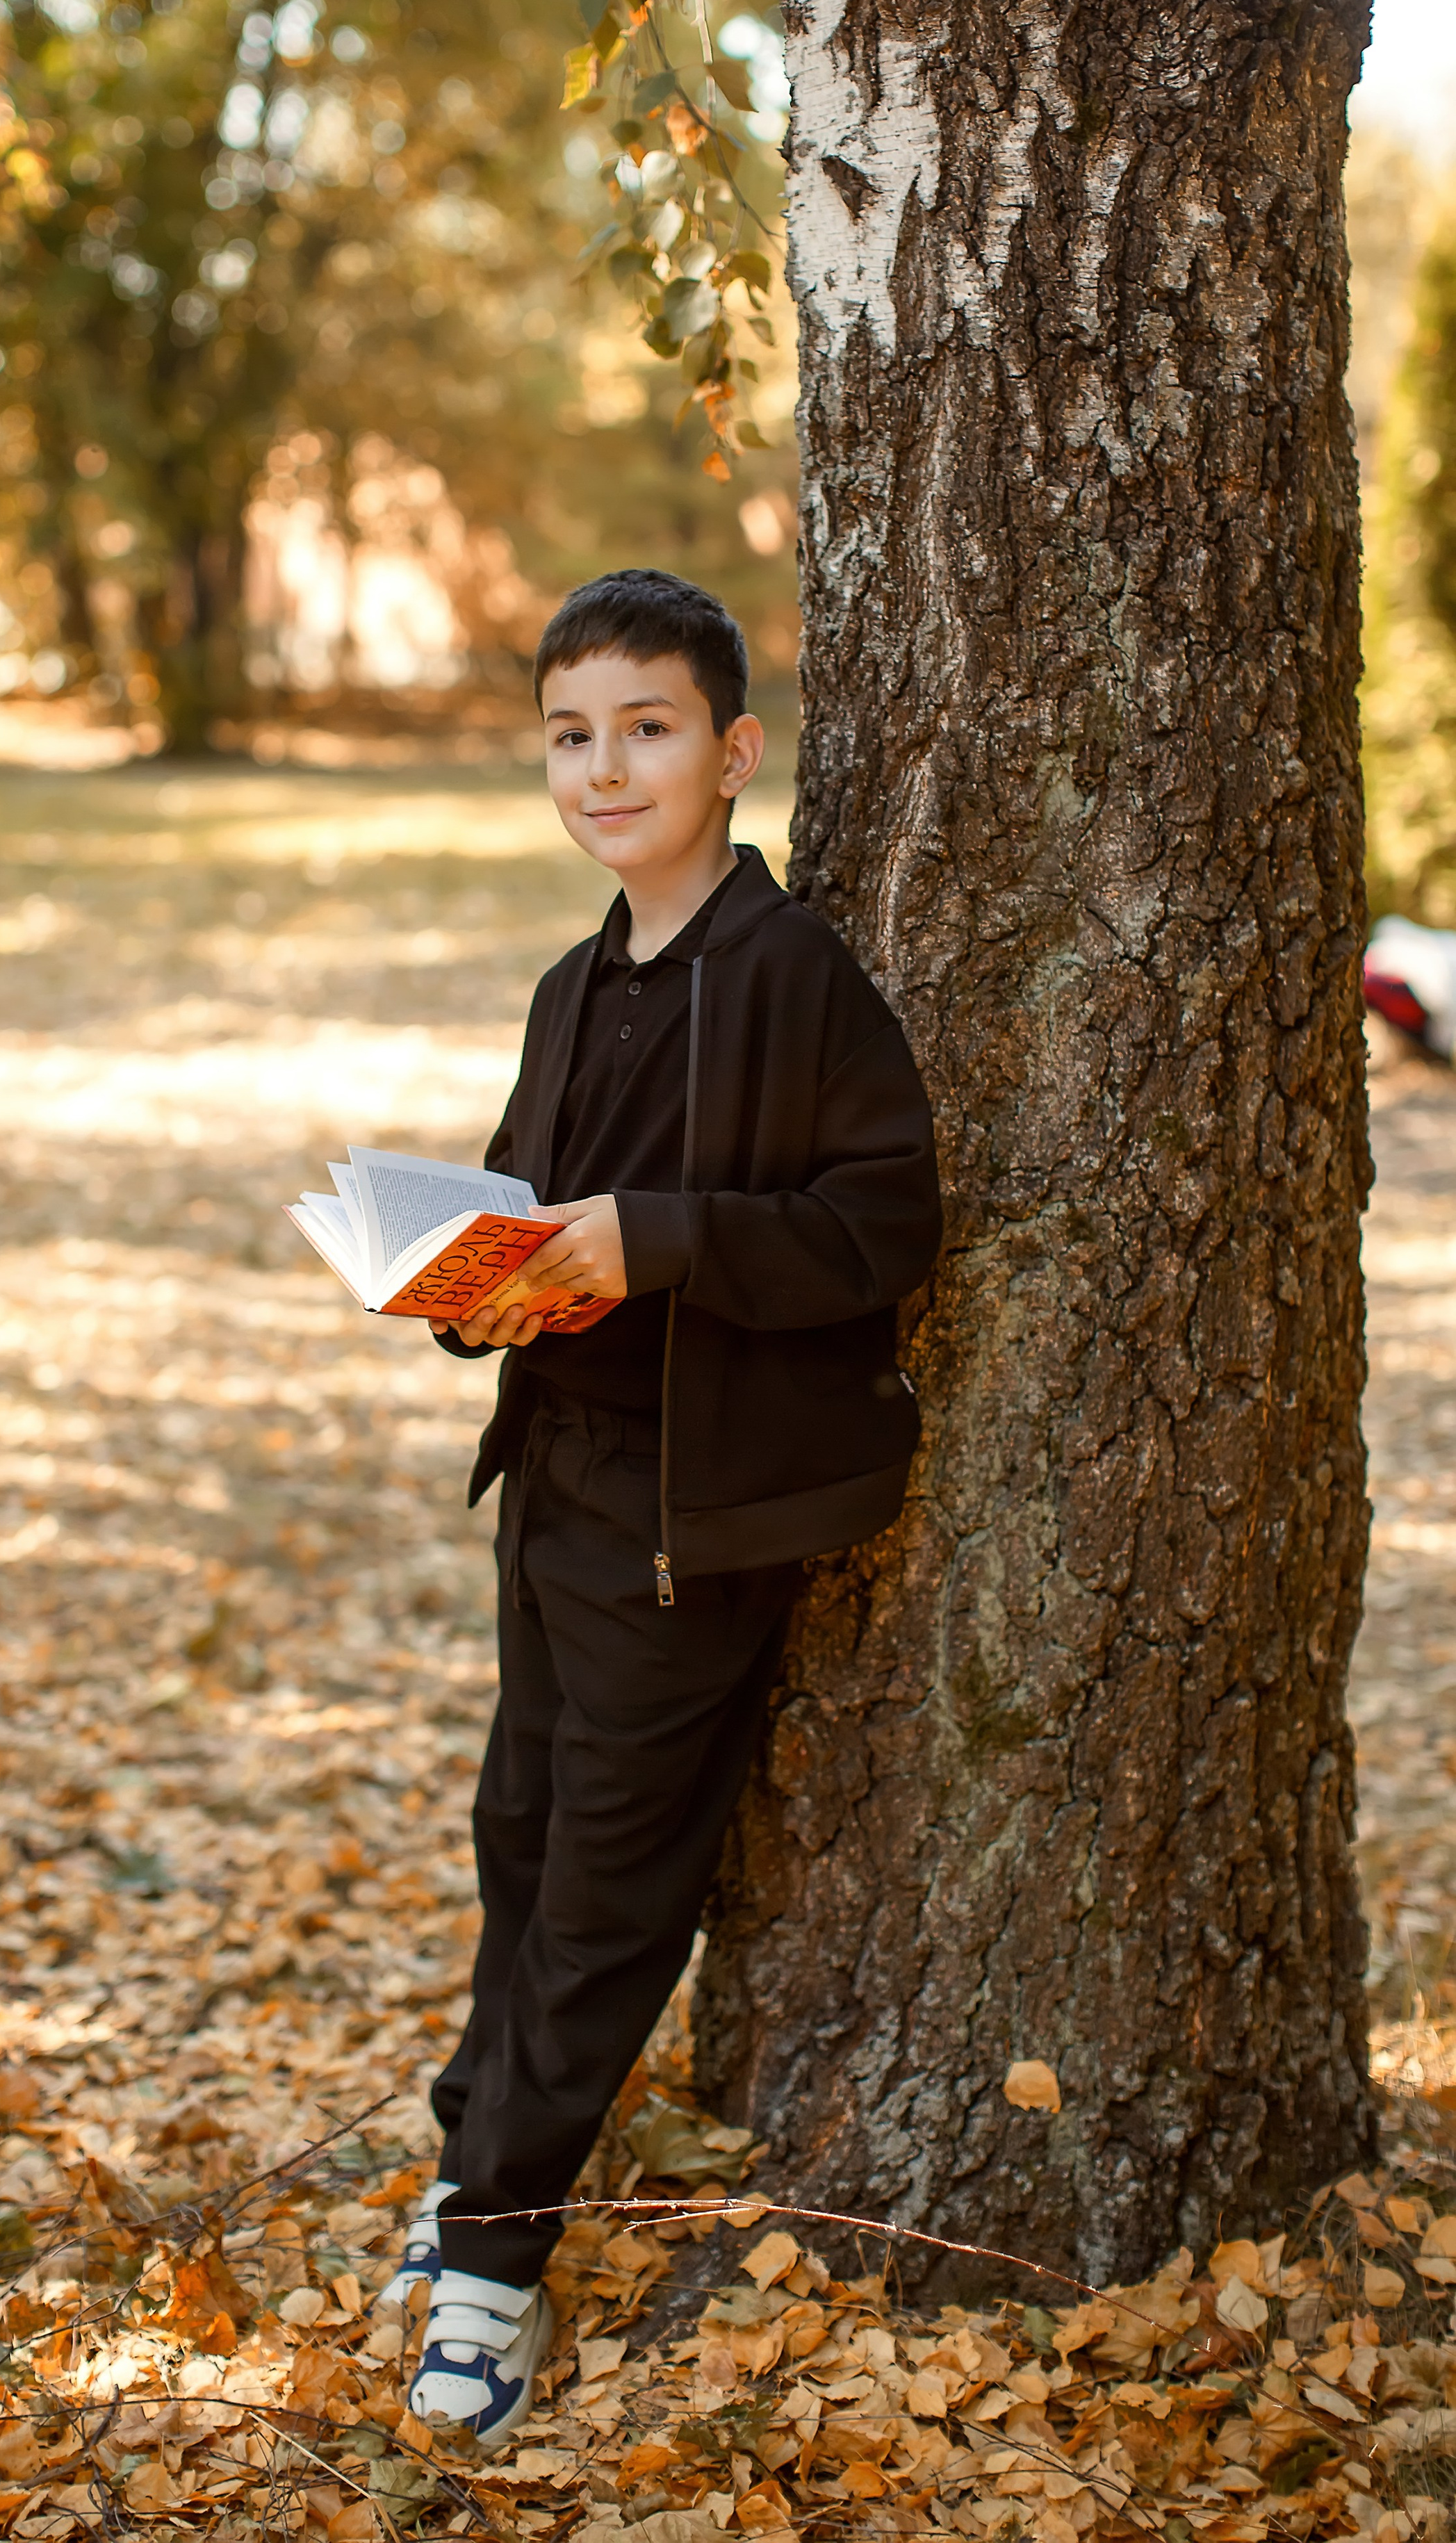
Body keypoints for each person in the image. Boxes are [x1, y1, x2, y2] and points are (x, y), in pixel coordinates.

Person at [380, 569, 943, 2447]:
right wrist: (466, 1289)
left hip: (693, 1516)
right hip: (555, 1475)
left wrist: (662, 1241)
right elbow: (530, 1206)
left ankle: (494, 2263)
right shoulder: (576, 984)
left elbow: (884, 1223)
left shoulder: (793, 974)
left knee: (611, 1885)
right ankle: (473, 2161)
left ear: (733, 750)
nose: (605, 768)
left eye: (647, 728)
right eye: (571, 735)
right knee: (520, 1838)